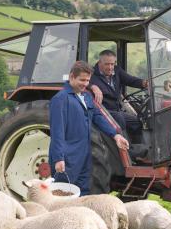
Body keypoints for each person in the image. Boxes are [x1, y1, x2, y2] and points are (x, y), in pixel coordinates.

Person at [49, 60, 129, 196]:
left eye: (87, 81)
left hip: (85, 154)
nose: (85, 84)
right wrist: (58, 158)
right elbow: (57, 132)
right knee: (63, 195)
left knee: (83, 192)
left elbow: (98, 117)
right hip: (68, 157)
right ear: (71, 77)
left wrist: (115, 135)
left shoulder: (86, 96)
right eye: (82, 80)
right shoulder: (60, 99)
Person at [89, 49, 147, 141]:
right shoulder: (91, 74)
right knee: (119, 118)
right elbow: (82, 83)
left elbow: (131, 80)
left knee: (136, 121)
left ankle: (139, 148)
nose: (110, 67)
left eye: (112, 64)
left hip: (117, 110)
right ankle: (127, 149)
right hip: (103, 111)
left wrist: (145, 83)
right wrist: (93, 86)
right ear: (99, 62)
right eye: (107, 64)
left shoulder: (117, 71)